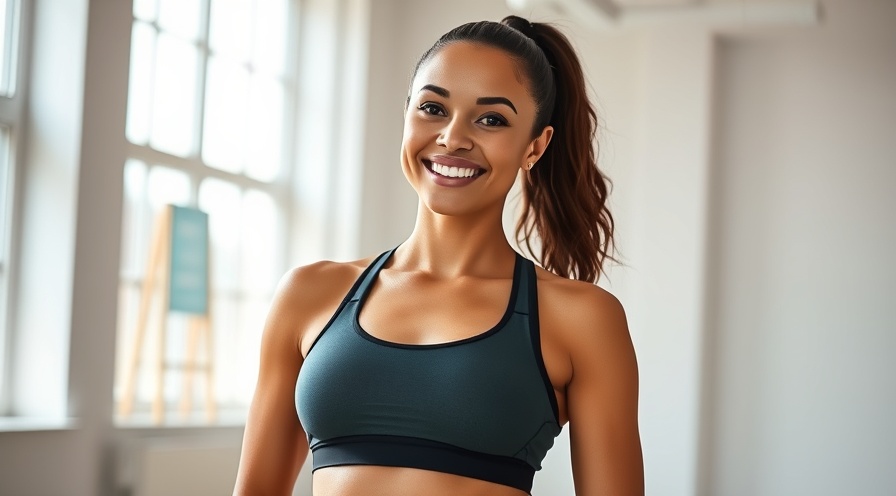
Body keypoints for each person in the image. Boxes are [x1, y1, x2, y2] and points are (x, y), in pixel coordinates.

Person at [233, 15, 643, 496]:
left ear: (535, 146)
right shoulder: (308, 293)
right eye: (432, 107)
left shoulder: (582, 318)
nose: (453, 137)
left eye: (491, 119)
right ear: (405, 114)